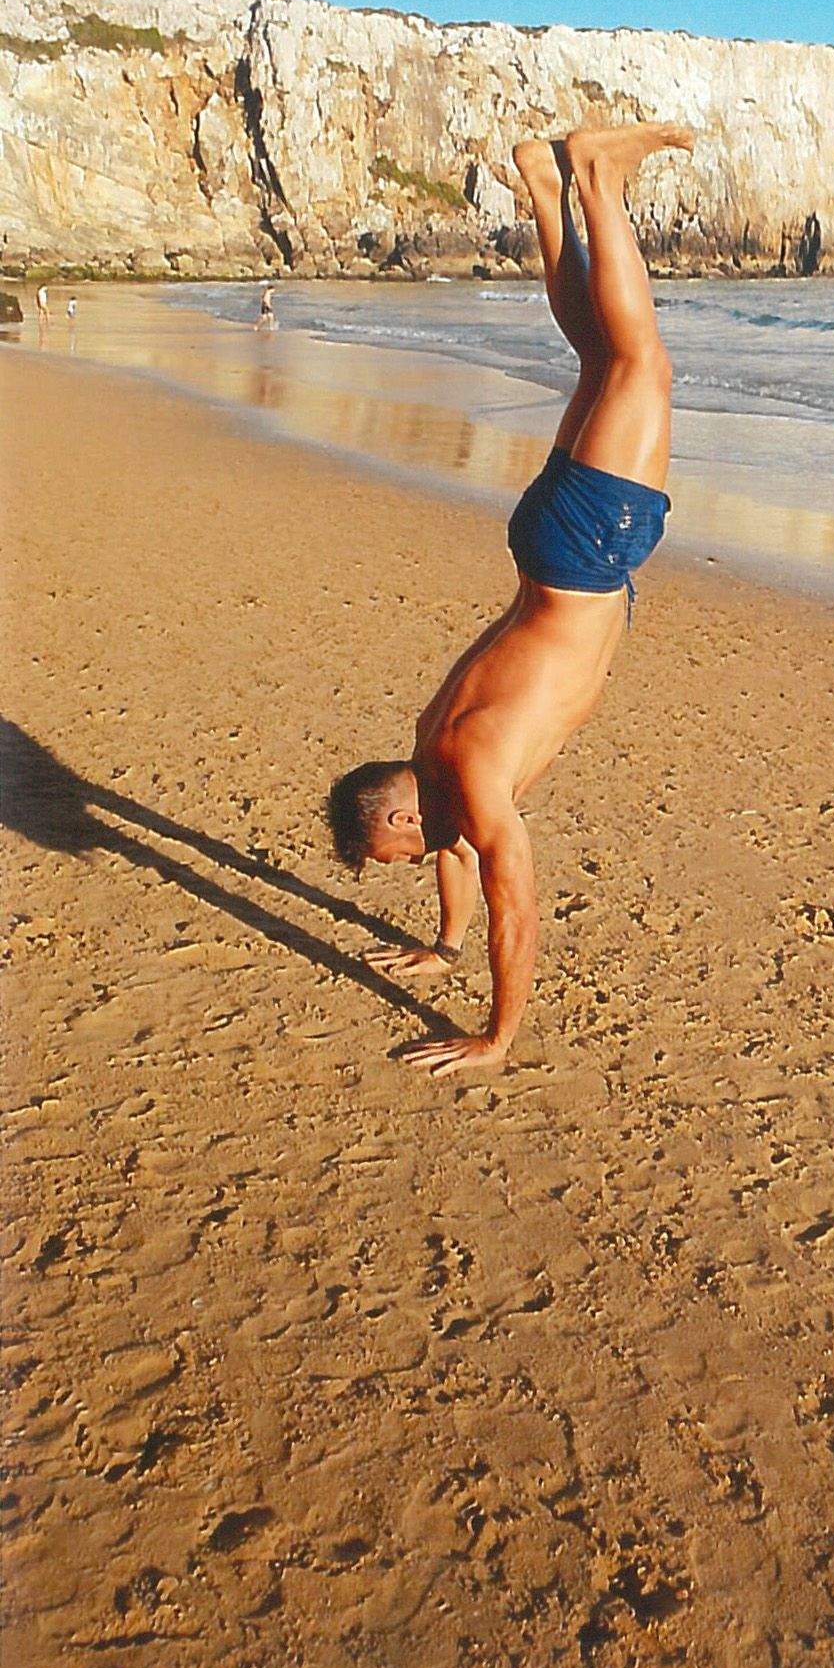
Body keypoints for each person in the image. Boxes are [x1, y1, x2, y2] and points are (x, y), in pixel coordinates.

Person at [325, 122, 691, 1075]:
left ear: (400, 818)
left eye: (394, 859)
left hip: (587, 554)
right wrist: (442, 947)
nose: (411, 867)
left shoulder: (473, 776)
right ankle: (542, 183)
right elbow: (456, 852)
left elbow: (514, 899)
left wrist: (497, 1037)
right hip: (544, 547)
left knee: (641, 361)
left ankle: (598, 177)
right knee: (599, 363)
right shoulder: (430, 750)